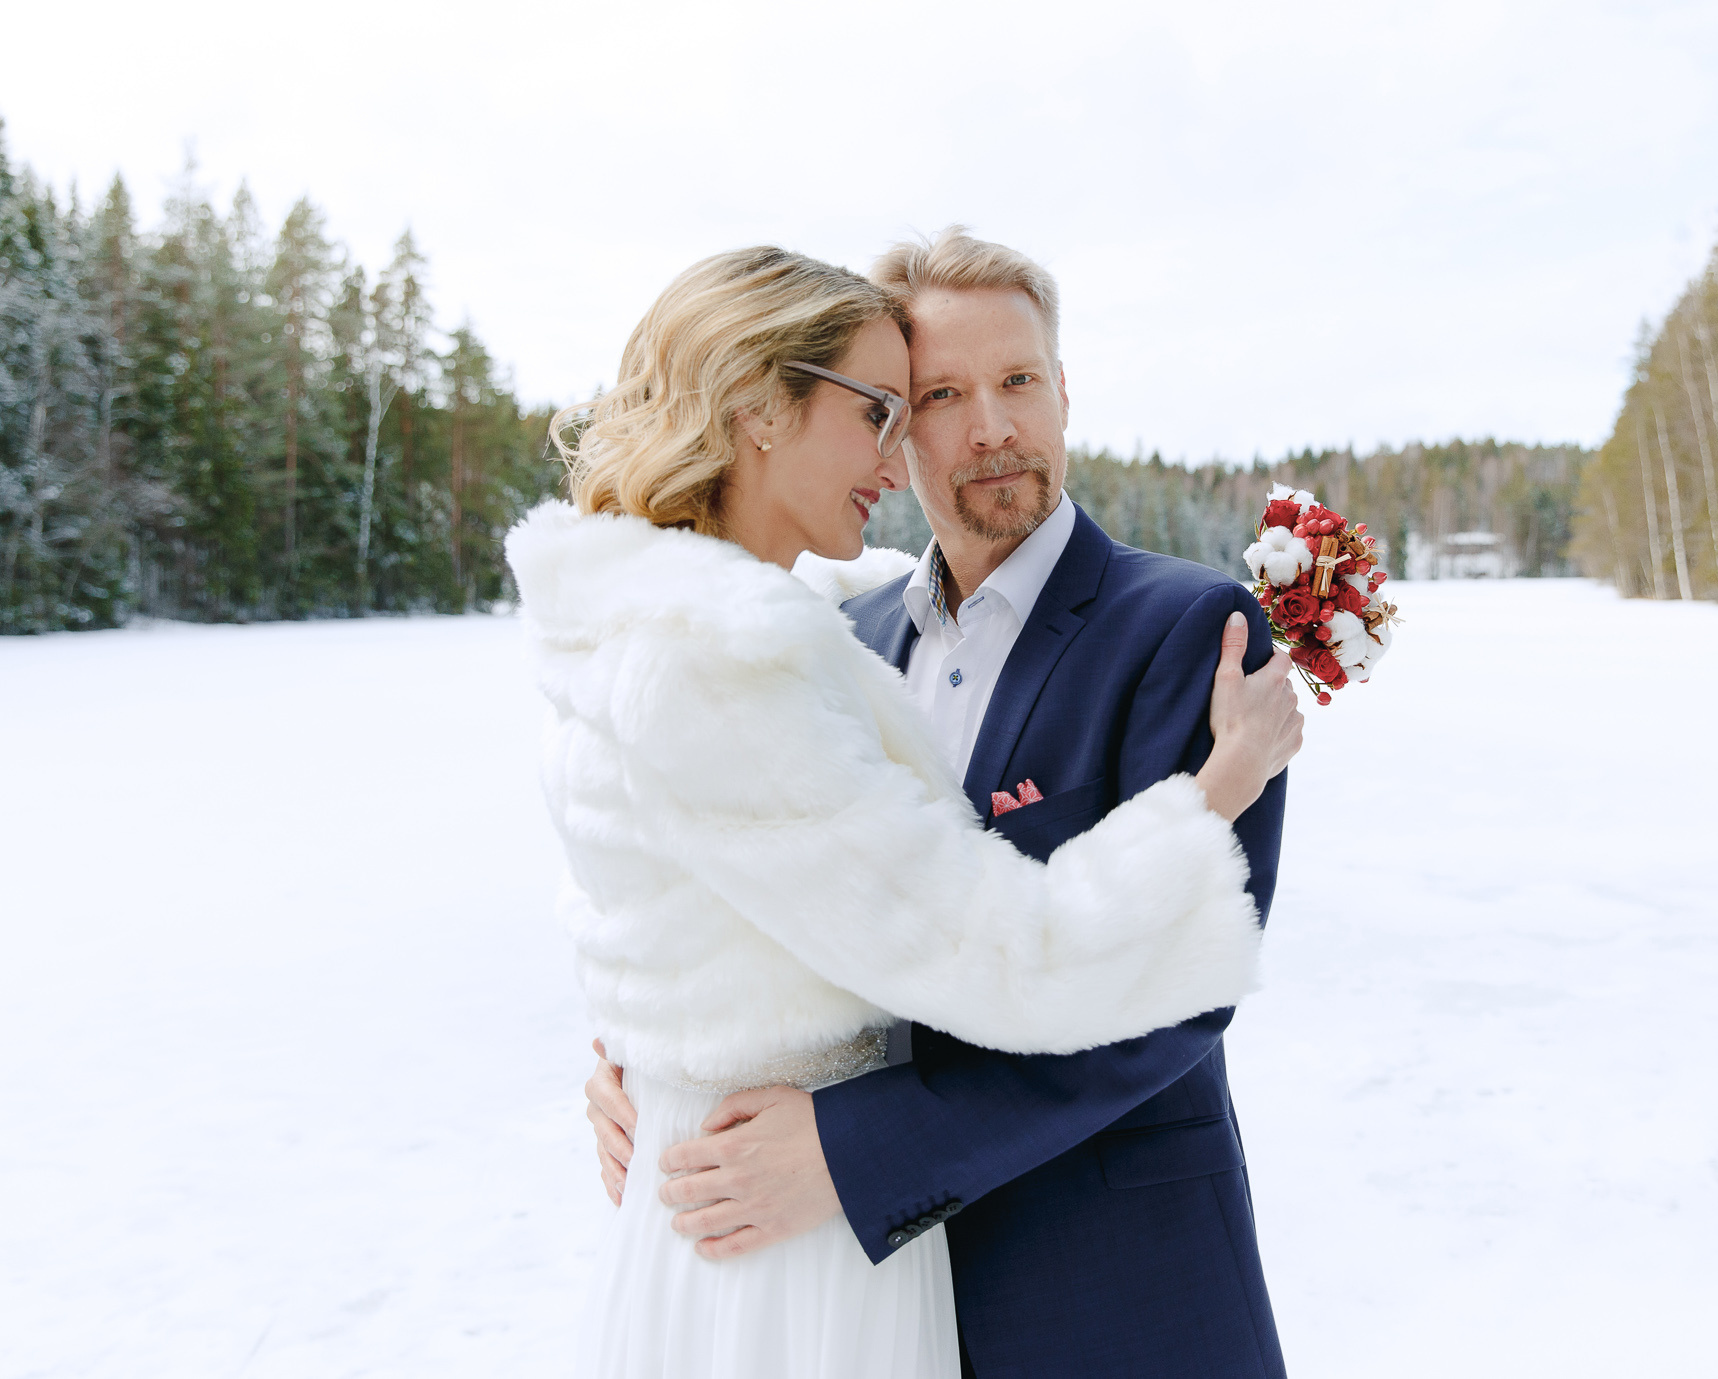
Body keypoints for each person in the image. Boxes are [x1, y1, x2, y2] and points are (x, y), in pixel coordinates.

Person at [508, 242, 1302, 1379]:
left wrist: (853, 1151)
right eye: (929, 398)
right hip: (813, 1264)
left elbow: (1171, 1005)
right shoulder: (832, 640)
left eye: (1020, 381)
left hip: (1101, 1286)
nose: (990, 427)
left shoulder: (1183, 629)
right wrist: (644, 1068)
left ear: (1065, 391)